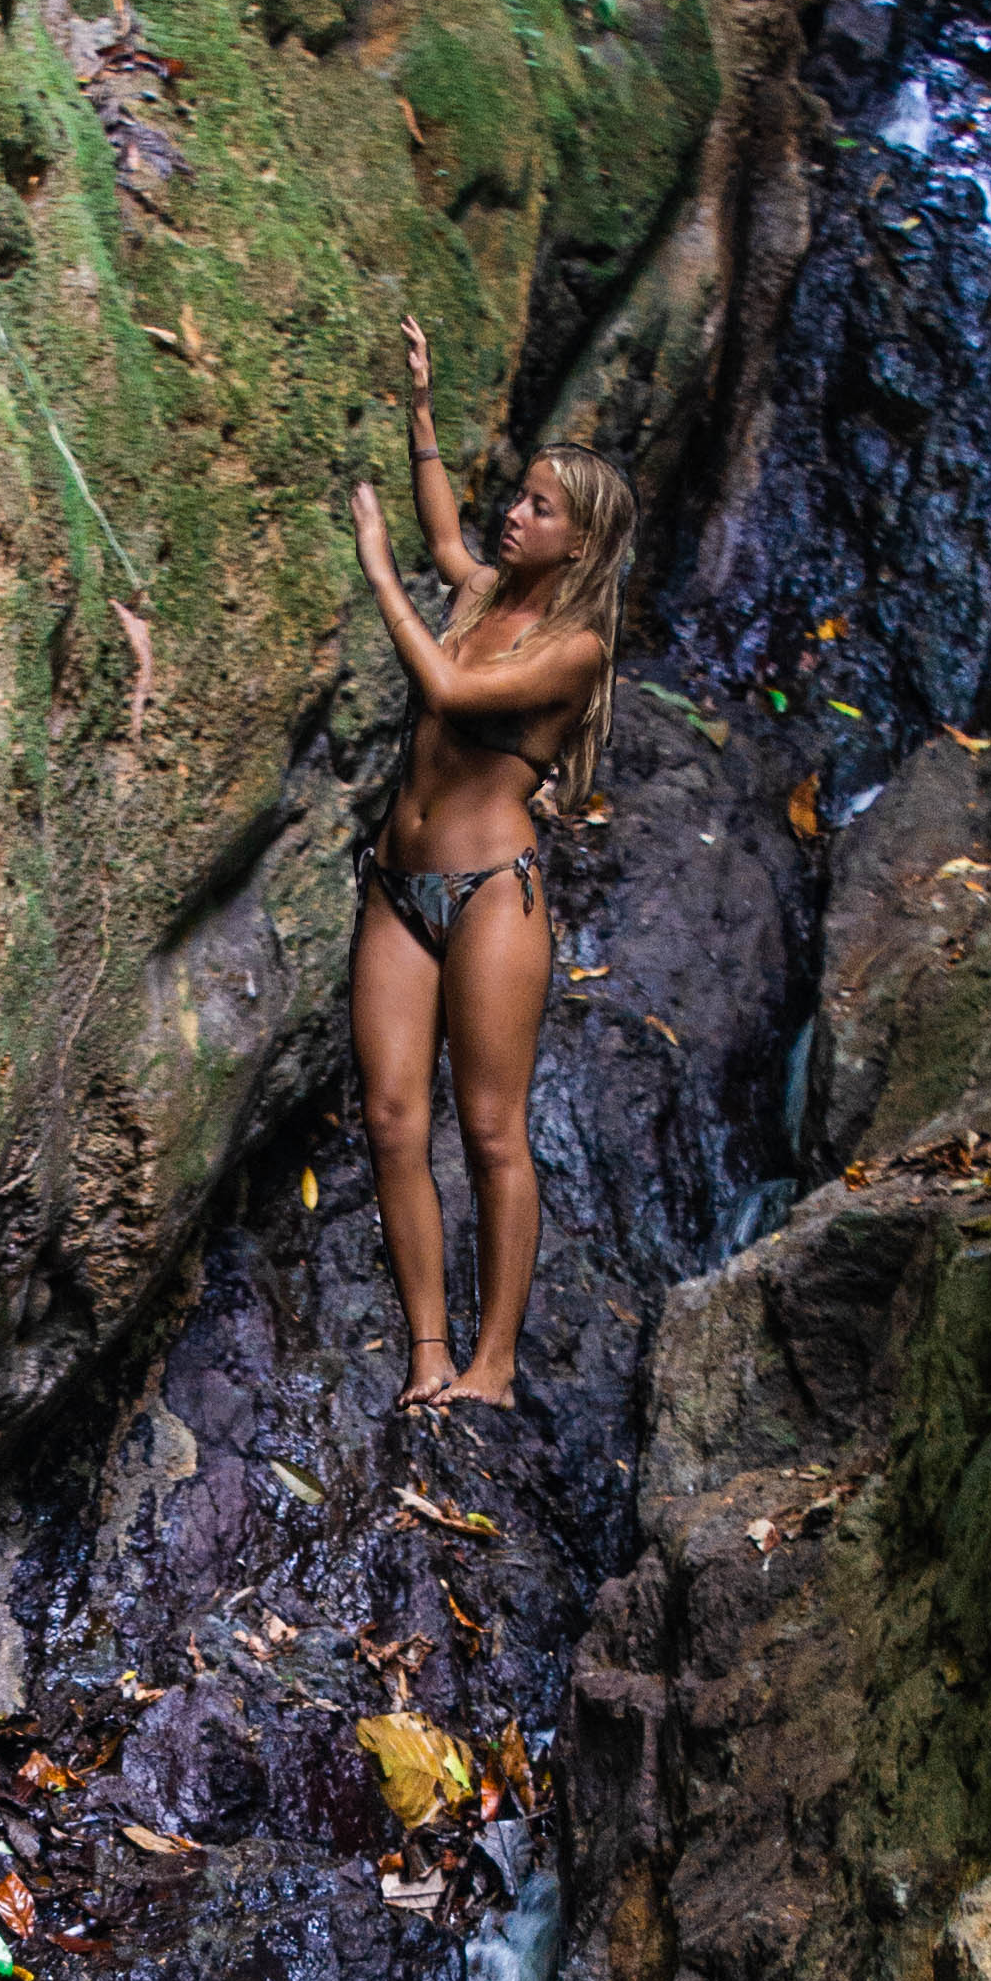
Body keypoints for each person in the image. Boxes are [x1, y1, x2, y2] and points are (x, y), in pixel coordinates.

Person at [343, 323, 634, 1416]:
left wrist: (378, 572)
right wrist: (419, 405)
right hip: (396, 887)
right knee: (389, 1119)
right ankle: (427, 1356)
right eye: (517, 498)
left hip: (488, 899)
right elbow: (442, 529)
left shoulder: (576, 648)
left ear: (580, 543)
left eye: (539, 508)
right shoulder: (477, 594)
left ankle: (494, 1367)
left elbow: (456, 699)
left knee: (493, 1132)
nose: (513, 515)